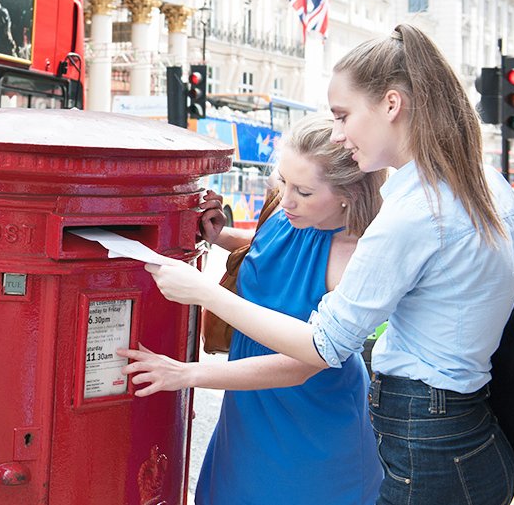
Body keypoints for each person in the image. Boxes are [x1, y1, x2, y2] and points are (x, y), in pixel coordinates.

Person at [146, 24, 514, 505]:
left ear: (391, 104)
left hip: (421, 436)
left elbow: (322, 347)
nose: (340, 133)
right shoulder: (484, 181)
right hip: (468, 427)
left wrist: (203, 297)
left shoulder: (413, 213)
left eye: (344, 115)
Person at [122, 114, 385, 504]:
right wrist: (219, 235)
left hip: (312, 427)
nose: (288, 199)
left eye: (305, 192)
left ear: (349, 193)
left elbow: (303, 364)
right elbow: (269, 252)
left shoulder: (355, 258)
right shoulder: (288, 214)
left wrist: (185, 372)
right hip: (248, 411)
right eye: (284, 181)